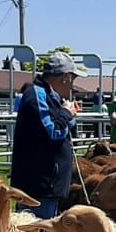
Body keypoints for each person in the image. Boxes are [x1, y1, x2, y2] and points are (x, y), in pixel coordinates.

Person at [10, 52, 78, 219]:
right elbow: (52, 133)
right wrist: (66, 113)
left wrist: (68, 116)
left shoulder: (48, 96)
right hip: (41, 185)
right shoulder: (38, 95)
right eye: (73, 80)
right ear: (65, 77)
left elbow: (59, 130)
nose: (72, 87)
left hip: (47, 185)